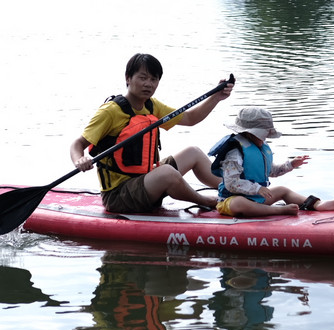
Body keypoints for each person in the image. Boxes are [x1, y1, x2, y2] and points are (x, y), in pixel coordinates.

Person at [70, 53, 233, 213]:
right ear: (128, 78)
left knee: (193, 153)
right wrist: (80, 159)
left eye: (153, 79)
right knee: (167, 173)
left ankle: (233, 189)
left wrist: (216, 97)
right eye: (143, 78)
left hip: (147, 181)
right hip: (119, 196)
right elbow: (78, 144)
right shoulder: (110, 111)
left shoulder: (151, 106)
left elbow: (190, 118)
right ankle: (206, 201)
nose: (148, 84)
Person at [210, 107, 334, 217]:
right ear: (249, 134)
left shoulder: (260, 147)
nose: (265, 138)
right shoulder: (234, 152)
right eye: (263, 135)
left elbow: (271, 171)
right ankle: (279, 210)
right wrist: (258, 188)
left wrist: (290, 165)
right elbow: (231, 183)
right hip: (231, 201)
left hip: (258, 198)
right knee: (239, 203)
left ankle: (316, 204)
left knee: (282, 190)